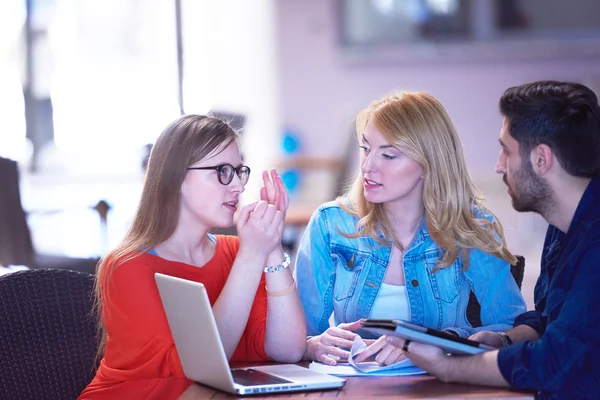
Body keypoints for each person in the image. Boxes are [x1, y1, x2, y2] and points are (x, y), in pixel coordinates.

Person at [383, 81, 600, 399]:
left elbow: (556, 361)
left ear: (541, 159)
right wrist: (504, 340)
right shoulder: (565, 227)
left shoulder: (594, 244)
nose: (499, 165)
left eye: (506, 150)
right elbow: (549, 321)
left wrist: (449, 368)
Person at [79, 115, 306, 400]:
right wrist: (252, 254)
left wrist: (271, 241)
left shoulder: (235, 251)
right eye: (222, 171)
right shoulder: (127, 266)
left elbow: (288, 348)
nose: (237, 186)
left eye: (238, 171)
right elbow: (204, 364)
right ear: (177, 178)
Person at [295, 91, 526, 366]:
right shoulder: (330, 225)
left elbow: (510, 329)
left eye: (389, 155)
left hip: (441, 390)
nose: (368, 166)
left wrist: (438, 342)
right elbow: (298, 335)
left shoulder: (471, 229)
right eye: (366, 148)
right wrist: (312, 345)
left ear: (429, 165)